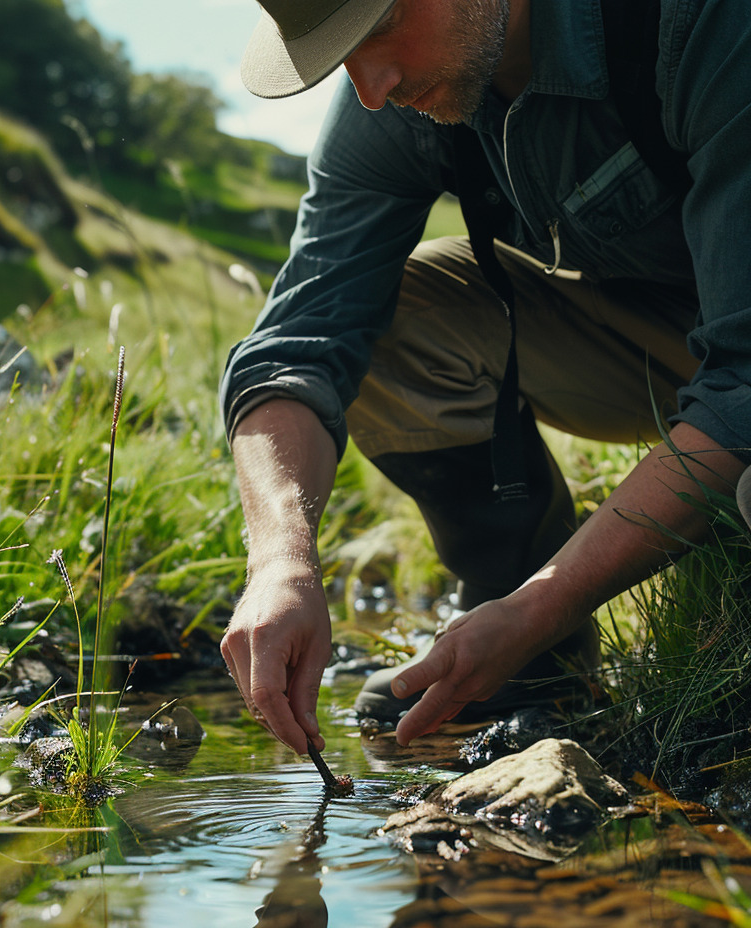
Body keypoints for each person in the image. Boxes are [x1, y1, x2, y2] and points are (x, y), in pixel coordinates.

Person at [218, 0, 751, 753]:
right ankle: (528, 668)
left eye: (375, 30)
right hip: (673, 335)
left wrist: (545, 606)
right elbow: (295, 346)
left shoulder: (704, 22)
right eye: (337, 54)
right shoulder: (402, 95)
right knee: (394, 322)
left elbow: (745, 389)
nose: (372, 87)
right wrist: (281, 559)